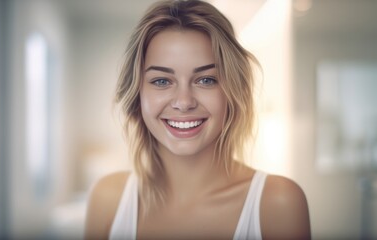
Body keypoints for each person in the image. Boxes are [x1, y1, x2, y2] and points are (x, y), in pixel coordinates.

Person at [85, 0, 311, 239]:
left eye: (206, 80)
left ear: (232, 92)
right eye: (162, 81)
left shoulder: (278, 203)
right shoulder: (107, 199)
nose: (184, 102)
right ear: (137, 94)